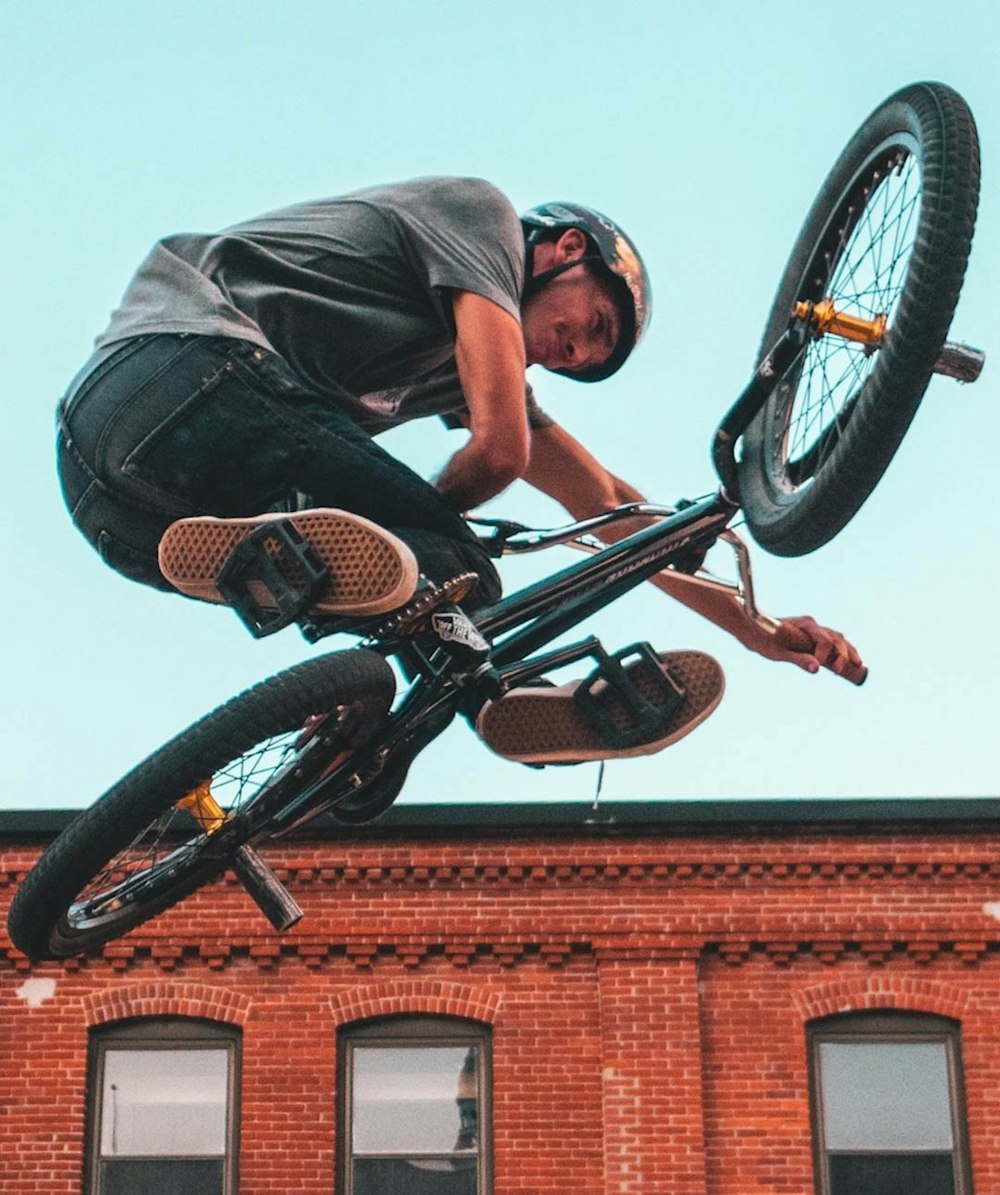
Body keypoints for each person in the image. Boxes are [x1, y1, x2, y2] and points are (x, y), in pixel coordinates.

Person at [56, 177, 861, 760]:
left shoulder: (455, 366)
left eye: (591, 358)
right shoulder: (480, 220)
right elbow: (502, 451)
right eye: (595, 323)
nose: (576, 354)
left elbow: (614, 510)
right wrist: (418, 533)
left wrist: (755, 628)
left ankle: (342, 741)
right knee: (449, 572)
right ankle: (500, 699)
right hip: (176, 376)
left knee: (394, 592)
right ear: (566, 250)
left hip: (118, 511)